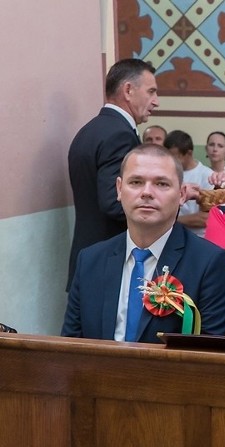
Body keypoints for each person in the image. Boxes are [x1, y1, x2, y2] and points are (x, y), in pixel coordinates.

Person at [62, 144, 225, 342]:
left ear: (181, 194)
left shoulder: (209, 263)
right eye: (136, 182)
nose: (147, 192)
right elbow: (71, 346)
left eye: (161, 184)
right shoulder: (90, 261)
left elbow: (213, 355)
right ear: (119, 189)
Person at [67, 58, 159, 289]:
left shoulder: (89, 130)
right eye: (151, 92)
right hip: (108, 261)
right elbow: (114, 202)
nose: (156, 102)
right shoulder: (120, 135)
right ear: (128, 90)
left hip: (87, 256)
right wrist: (166, 203)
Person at [163, 129, 214, 237]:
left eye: (175, 156)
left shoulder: (208, 176)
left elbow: (206, 218)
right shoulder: (165, 174)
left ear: (189, 153)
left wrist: (169, 220)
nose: (170, 160)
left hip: (197, 238)